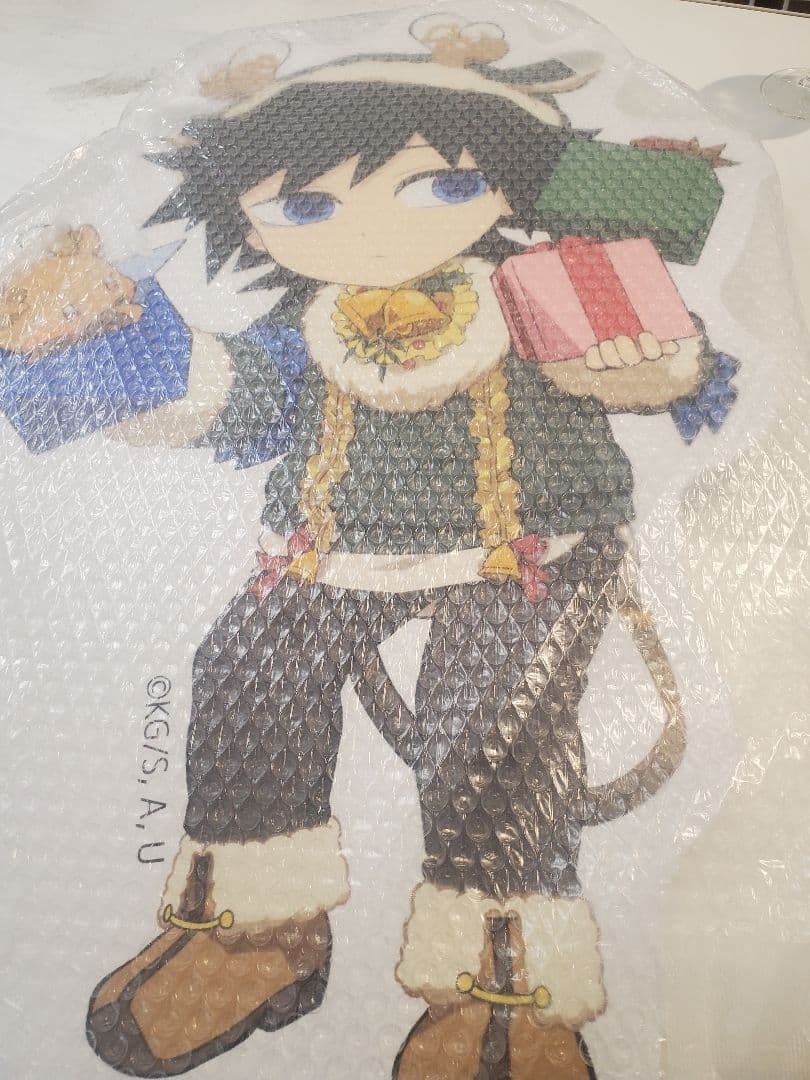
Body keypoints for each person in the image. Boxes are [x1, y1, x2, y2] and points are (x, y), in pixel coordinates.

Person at [2, 15, 738, 1079]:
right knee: (246, 665)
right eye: (306, 207)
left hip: (529, 545)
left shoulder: (529, 290)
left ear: (509, 184)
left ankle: (504, 980)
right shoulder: (307, 332)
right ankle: (258, 930)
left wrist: (649, 368)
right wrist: (100, 343)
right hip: (331, 550)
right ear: (251, 224)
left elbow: (668, 371)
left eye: (443, 186)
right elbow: (233, 394)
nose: (377, 232)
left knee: (487, 721)